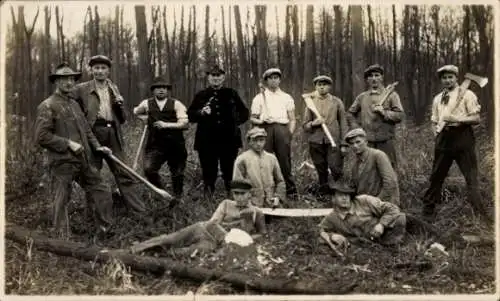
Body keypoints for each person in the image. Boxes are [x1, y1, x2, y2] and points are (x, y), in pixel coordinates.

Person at [34, 62, 114, 240]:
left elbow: (87, 130)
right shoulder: (47, 106)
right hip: (62, 162)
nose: (69, 83)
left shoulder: (75, 104)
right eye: (64, 79)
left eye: (71, 79)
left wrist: (97, 147)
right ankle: (61, 240)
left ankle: (104, 232)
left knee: (102, 189)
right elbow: (41, 137)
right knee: (61, 199)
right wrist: (68, 143)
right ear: (56, 82)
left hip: (82, 159)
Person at [72, 55, 145, 213]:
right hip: (93, 134)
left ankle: (138, 212)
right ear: (91, 70)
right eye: (96, 68)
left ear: (108, 71)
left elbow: (123, 119)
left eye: (103, 68)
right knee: (92, 174)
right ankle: (94, 214)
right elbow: (68, 105)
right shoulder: (81, 89)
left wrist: (120, 105)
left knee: (124, 172)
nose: (99, 71)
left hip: (113, 133)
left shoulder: (114, 88)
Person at [422, 65, 493, 224]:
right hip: (443, 139)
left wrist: (458, 120)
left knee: (471, 177)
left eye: (450, 77)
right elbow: (433, 120)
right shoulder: (438, 98)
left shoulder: (468, 94)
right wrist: (435, 131)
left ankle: (480, 215)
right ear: (441, 80)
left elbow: (476, 119)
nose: (447, 80)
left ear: (456, 78)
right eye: (444, 78)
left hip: (463, 137)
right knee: (436, 176)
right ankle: (428, 212)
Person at [129, 180, 267, 254]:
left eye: (243, 193)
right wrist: (228, 234)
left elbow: (262, 234)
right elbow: (213, 223)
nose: (239, 197)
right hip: (203, 229)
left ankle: (154, 255)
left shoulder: (256, 212)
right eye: (236, 193)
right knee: (169, 239)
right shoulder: (226, 203)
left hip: (214, 243)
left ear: (250, 194)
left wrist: (246, 238)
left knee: (186, 252)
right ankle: (133, 250)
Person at [187, 65, 249, 199]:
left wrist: (234, 122)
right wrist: (200, 112)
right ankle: (208, 196)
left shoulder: (232, 93)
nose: (216, 78)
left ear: (223, 77)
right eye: (213, 75)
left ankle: (231, 196)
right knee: (209, 169)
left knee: (229, 168)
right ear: (208, 78)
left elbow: (244, 112)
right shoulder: (201, 95)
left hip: (229, 140)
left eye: (219, 75)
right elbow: (190, 115)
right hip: (207, 141)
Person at [133, 77, 188, 202]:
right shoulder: (146, 103)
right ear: (153, 90)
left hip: (175, 144)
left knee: (177, 172)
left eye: (164, 88)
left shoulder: (176, 104)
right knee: (149, 170)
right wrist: (143, 117)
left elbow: (185, 123)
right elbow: (135, 111)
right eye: (158, 88)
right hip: (155, 145)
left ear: (168, 90)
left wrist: (167, 125)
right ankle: (162, 193)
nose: (161, 90)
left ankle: (178, 198)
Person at [250, 68, 297, 196]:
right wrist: (261, 120)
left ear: (280, 79)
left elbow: (292, 119)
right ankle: (266, 192)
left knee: (284, 162)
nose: (274, 80)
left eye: (276, 77)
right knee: (265, 161)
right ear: (266, 81)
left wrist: (289, 133)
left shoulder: (287, 97)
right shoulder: (259, 98)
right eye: (270, 78)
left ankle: (290, 192)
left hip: (282, 129)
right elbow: (252, 118)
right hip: (265, 129)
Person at [347, 64, 404, 167]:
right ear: (367, 79)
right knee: (368, 170)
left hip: (386, 141)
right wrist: (356, 128)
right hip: (367, 142)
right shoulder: (362, 97)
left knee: (388, 170)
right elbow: (350, 113)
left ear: (382, 77)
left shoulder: (392, 95)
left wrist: (384, 113)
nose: (374, 78)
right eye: (371, 76)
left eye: (377, 75)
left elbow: (400, 116)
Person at [318, 182, 406, 247]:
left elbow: (393, 208)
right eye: (340, 195)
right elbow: (320, 231)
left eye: (347, 195)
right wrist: (332, 236)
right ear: (333, 198)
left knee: (401, 219)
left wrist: (381, 225)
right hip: (371, 243)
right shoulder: (332, 217)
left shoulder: (364, 201)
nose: (344, 198)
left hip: (391, 228)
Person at [302, 75, 348, 195]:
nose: (322, 87)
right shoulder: (310, 103)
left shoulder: (337, 102)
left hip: (333, 140)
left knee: (335, 167)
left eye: (324, 85)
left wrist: (344, 143)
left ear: (329, 86)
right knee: (321, 169)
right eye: (319, 85)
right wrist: (313, 123)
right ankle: (324, 193)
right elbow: (305, 125)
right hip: (315, 141)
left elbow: (343, 123)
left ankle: (340, 193)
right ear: (316, 87)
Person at [344, 128, 400, 206]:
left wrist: (376, 202)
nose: (355, 146)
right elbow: (354, 188)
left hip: (384, 204)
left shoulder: (378, 155)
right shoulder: (355, 165)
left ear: (366, 142)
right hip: (367, 206)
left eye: (358, 142)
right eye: (352, 143)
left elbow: (390, 183)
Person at [233, 127, 286, 207]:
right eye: (255, 140)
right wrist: (246, 201)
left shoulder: (271, 158)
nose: (258, 144)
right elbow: (237, 184)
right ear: (249, 142)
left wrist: (278, 197)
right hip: (251, 203)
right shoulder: (242, 159)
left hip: (270, 203)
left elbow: (280, 181)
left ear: (265, 141)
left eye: (261, 140)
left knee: (281, 218)